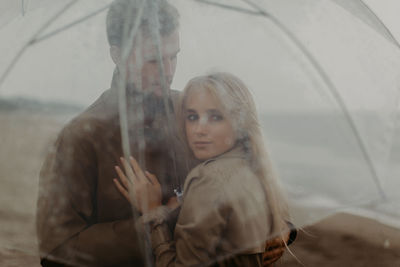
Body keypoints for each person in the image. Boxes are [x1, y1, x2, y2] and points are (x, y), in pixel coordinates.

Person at [36, 0, 294, 266]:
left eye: (174, 56)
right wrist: (160, 222)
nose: (168, 71)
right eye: (153, 60)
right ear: (117, 54)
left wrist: (277, 225)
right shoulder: (80, 137)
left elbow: (249, 167)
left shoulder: (194, 111)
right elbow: (56, 249)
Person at [114, 72, 291, 266]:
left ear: (240, 122)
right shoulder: (255, 168)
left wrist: (152, 211)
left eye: (215, 117)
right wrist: (181, 208)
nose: (199, 129)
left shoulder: (209, 179)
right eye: (192, 117)